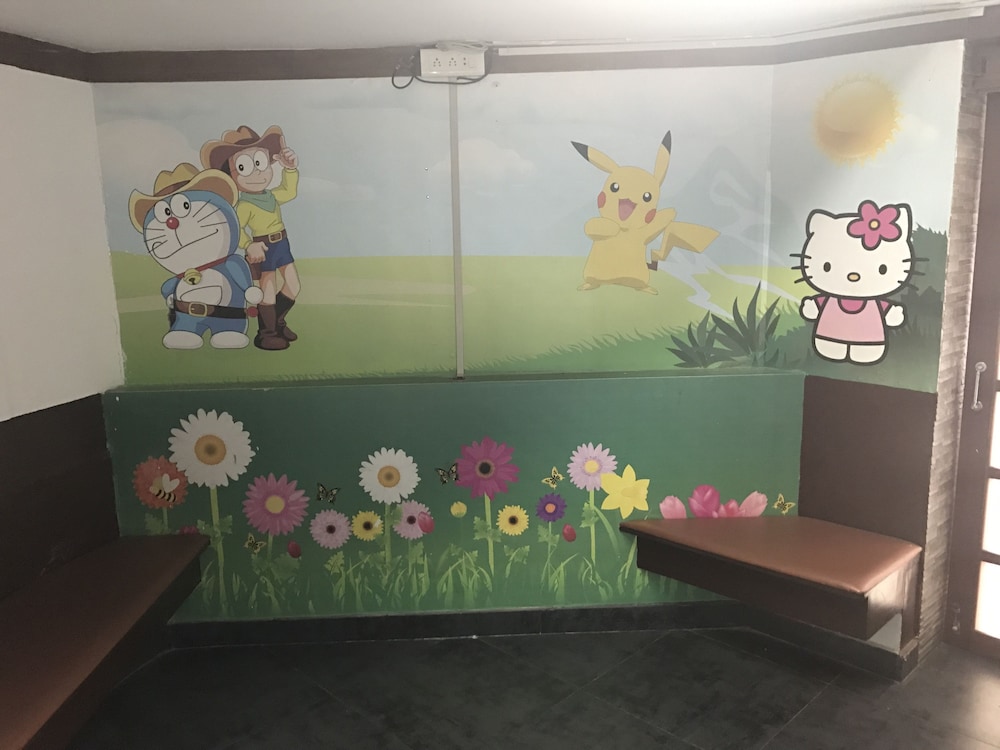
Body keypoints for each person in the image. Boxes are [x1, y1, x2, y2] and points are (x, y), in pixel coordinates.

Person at [201, 125, 301, 351]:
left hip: (282, 243)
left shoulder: (271, 196)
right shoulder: (244, 205)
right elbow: (235, 229)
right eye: (244, 167)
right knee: (268, 290)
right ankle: (267, 333)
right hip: (263, 247)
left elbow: (290, 191)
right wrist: (249, 245)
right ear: (232, 175)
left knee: (294, 284)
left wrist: (290, 169)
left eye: (260, 163)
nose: (256, 173)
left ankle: (278, 322)